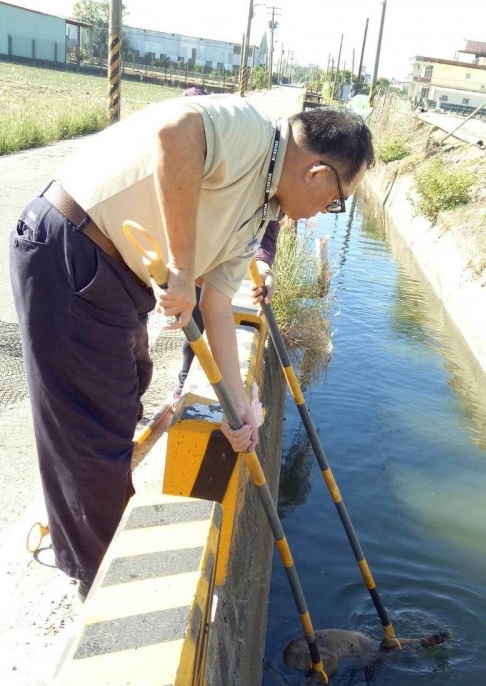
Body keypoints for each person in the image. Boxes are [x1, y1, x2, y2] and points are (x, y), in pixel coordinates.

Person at [10, 96, 374, 598]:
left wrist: (238, 408)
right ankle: (100, 585)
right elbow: (176, 132)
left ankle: (97, 550)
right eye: (337, 201)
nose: (326, 213)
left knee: (125, 393)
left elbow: (219, 303)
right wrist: (182, 268)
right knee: (92, 433)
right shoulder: (251, 133)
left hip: (115, 276)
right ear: (317, 173)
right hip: (72, 246)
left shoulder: (260, 208)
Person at [172, 217, 280, 408]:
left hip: (228, 258)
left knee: (211, 314)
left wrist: (263, 266)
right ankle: (183, 382)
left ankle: (200, 384)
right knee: (195, 324)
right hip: (201, 246)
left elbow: (267, 230)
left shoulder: (273, 199)